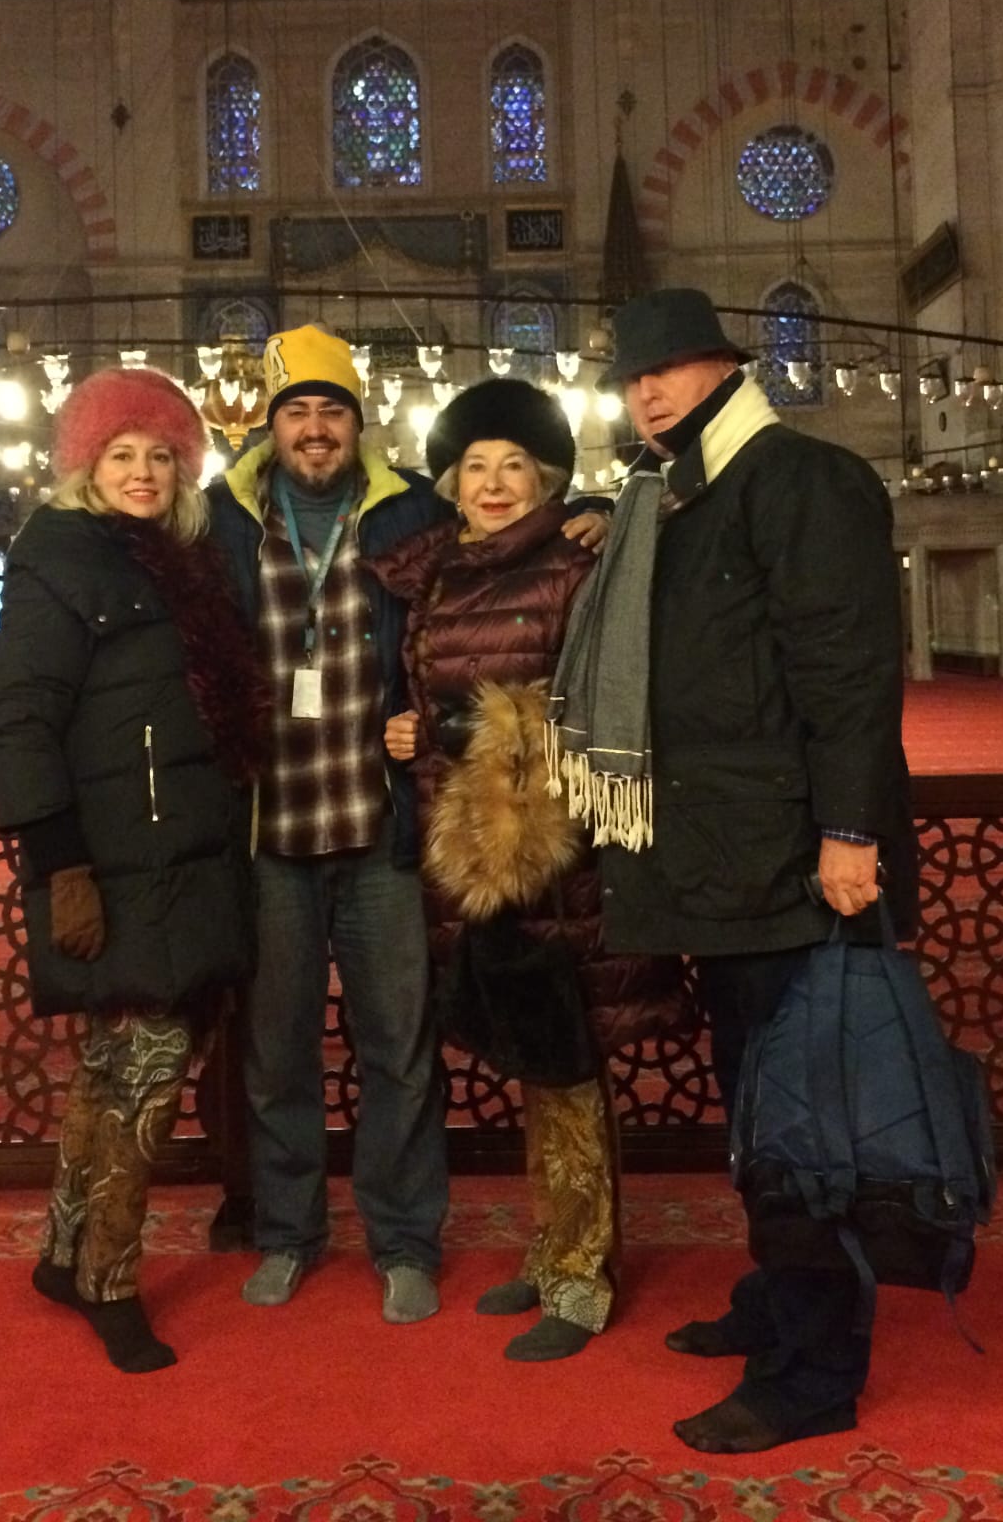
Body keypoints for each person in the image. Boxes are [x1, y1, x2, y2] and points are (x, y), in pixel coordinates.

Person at [547, 287, 916, 1453]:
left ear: (724, 368)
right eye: (631, 378)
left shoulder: (801, 481)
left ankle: (813, 1370)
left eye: (666, 370)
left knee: (804, 1124)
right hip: (721, 861)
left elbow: (849, 670)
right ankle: (778, 1301)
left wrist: (850, 831)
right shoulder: (676, 494)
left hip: (796, 865)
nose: (645, 393)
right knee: (759, 1106)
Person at [369, 378, 687, 1362]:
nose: (495, 482)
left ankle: (583, 1277)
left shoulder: (577, 564)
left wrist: (463, 728)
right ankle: (552, 1247)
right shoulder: (433, 574)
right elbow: (429, 697)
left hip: (559, 856)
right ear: (452, 483)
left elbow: (603, 703)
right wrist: (412, 732)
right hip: (469, 851)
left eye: (515, 465)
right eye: (477, 466)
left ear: (548, 479)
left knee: (567, 1061)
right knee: (529, 1062)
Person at [0, 365, 265, 1374]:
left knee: (114, 1068)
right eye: (121, 453)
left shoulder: (178, 560)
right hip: (117, 862)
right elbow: (18, 723)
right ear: (85, 465)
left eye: (160, 455)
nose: (142, 471)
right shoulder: (62, 560)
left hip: (183, 852)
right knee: (145, 1074)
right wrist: (61, 864)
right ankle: (109, 1278)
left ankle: (63, 1253)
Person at [209, 323, 454, 1324]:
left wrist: (594, 515)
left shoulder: (412, 512)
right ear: (270, 426)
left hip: (378, 829)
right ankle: (287, 1232)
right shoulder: (220, 520)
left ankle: (405, 1239)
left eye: (333, 410)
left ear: (360, 423)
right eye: (298, 411)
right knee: (278, 1054)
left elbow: (490, 582)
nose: (316, 428)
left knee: (400, 1047)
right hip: (271, 835)